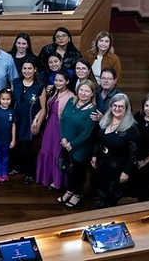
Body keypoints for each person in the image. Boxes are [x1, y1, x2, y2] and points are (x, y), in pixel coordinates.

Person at [91, 93, 138, 208]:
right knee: (102, 186)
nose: (117, 109)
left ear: (126, 108)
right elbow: (99, 140)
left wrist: (126, 172)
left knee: (112, 193)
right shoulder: (106, 120)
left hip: (117, 168)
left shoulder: (131, 128)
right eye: (114, 105)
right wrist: (95, 155)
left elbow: (133, 154)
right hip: (103, 164)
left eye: (121, 106)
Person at [57, 80, 98, 208]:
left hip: (80, 148)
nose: (83, 93)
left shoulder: (92, 110)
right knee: (69, 170)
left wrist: (72, 144)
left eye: (87, 91)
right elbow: (62, 119)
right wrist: (63, 138)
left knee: (78, 172)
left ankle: (77, 194)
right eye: (81, 90)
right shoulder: (71, 101)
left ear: (92, 94)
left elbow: (86, 134)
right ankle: (70, 190)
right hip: (66, 144)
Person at [35, 70, 73, 191]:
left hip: (60, 127)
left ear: (67, 81)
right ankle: (46, 178)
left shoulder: (71, 96)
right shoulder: (53, 92)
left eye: (60, 80)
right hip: (50, 124)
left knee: (57, 153)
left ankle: (57, 182)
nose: (57, 83)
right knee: (46, 150)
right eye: (56, 80)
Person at [12, 58, 44, 185]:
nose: (27, 71)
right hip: (16, 119)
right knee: (16, 146)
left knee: (27, 149)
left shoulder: (39, 87)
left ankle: (30, 173)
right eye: (24, 68)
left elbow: (43, 108)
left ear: (35, 69)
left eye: (30, 68)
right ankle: (17, 167)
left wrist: (38, 122)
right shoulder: (16, 82)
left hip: (30, 121)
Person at [0, 88, 16, 183]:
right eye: (3, 99)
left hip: (7, 140)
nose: (6, 101)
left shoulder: (12, 111)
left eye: (8, 99)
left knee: (5, 156)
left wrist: (13, 140)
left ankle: (4, 173)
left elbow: (13, 126)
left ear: (11, 99)